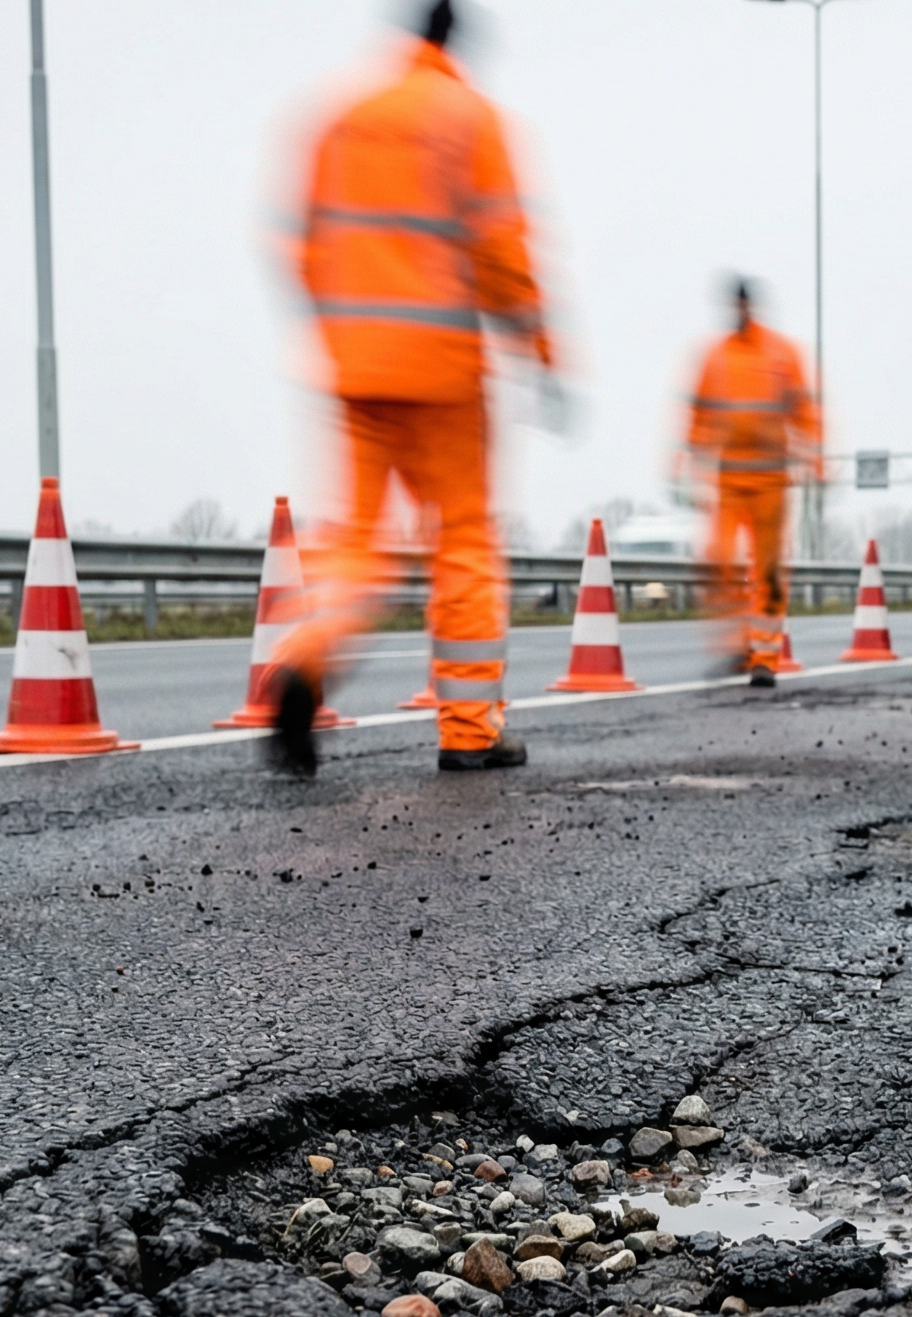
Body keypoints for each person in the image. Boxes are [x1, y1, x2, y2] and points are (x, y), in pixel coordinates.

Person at [266, 0, 559, 774]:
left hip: (354, 367)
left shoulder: (343, 118)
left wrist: (338, 333)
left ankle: (306, 657)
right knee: (461, 538)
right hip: (444, 371)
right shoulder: (470, 120)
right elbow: (502, 253)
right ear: (455, 40)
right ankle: (469, 731)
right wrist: (539, 349)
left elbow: (296, 243)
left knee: (358, 538)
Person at [683, 279, 819, 687]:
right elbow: (699, 412)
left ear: (750, 306)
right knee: (718, 560)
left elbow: (804, 410)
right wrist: (685, 461)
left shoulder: (781, 353)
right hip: (728, 480)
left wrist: (816, 458)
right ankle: (736, 645)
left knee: (769, 571)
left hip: (771, 482)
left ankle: (764, 657)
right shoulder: (716, 357)